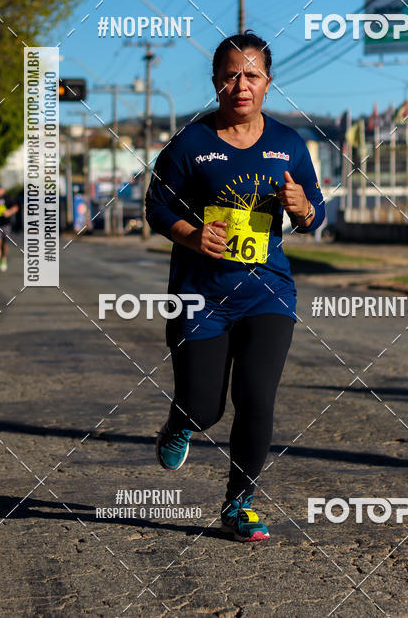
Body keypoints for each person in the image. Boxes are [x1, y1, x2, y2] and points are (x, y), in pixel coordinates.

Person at [146, 31, 325, 543]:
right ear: (216, 82)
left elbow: (315, 211)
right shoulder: (189, 145)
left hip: (267, 293)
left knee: (257, 399)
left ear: (268, 83)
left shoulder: (289, 144)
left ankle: (238, 503)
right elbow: (156, 208)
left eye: (251, 75)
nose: (240, 86)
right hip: (200, 295)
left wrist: (303, 209)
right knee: (206, 409)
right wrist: (191, 234)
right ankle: (182, 419)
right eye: (230, 75)